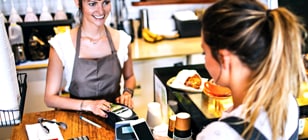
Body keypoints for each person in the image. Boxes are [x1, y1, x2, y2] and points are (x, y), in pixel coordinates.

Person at [197, 0, 307, 139]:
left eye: (204, 52)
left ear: (224, 59)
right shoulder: (287, 101)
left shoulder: (219, 134)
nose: (205, 59)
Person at [44, 0, 136, 118]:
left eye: (106, 2)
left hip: (115, 118)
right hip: (77, 119)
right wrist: (88, 105)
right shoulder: (61, 44)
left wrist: (127, 93)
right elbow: (49, 98)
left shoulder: (123, 40)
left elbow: (130, 77)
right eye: (92, 4)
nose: (101, 11)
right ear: (78, 3)